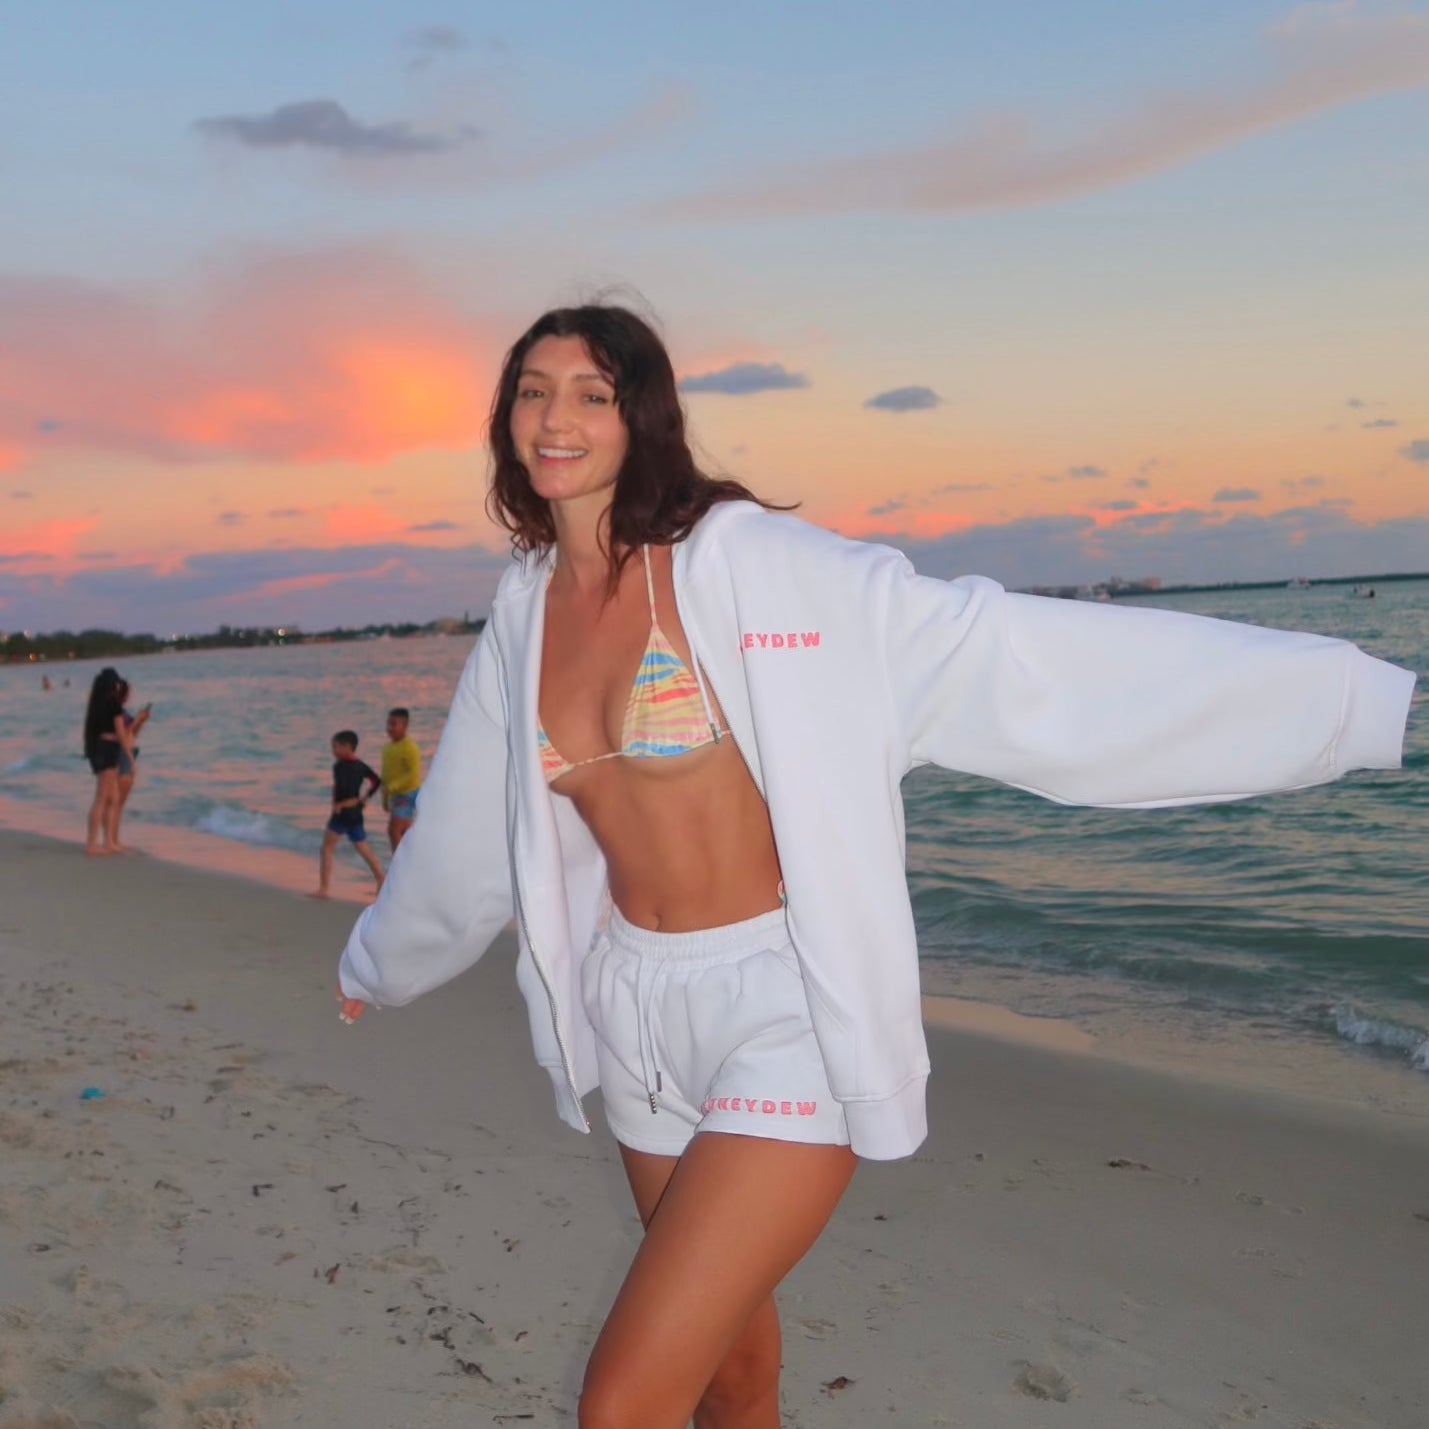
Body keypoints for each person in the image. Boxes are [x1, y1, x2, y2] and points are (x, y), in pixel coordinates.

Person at [336, 305, 1417, 1428]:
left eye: (591, 393)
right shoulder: (521, 615)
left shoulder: (742, 563)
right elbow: (465, 832)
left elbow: (986, 651)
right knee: (733, 1384)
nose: (556, 417)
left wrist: (1352, 702)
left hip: (782, 1005)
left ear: (640, 416)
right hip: (636, 1013)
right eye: (532, 389)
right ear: (506, 416)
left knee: (622, 1407)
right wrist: (379, 962)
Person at [316, 730, 384, 898]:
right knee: (363, 848)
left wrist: (340, 804)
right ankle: (382, 881)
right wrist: (364, 799)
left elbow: (342, 789)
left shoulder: (339, 766)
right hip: (355, 814)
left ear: (347, 747)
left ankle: (324, 889)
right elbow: (377, 781)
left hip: (342, 813)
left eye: (336, 747)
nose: (333, 750)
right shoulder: (360, 766)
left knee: (327, 848)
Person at [82, 667, 135, 856]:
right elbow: (120, 733)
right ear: (113, 684)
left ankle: (109, 842)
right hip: (109, 750)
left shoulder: (95, 704)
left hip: (98, 749)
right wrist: (129, 755)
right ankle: (92, 843)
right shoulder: (113, 705)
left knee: (111, 798)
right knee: (103, 798)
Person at [112, 678, 152, 852]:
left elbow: (132, 734)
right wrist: (137, 720)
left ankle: (113, 840)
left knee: (118, 804)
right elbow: (122, 735)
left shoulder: (121, 713)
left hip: (127, 754)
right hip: (122, 756)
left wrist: (141, 721)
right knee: (117, 803)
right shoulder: (115, 714)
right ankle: (112, 841)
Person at [380, 706, 422, 851]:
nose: (389, 728)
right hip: (395, 795)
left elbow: (412, 774)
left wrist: (392, 787)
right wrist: (385, 799)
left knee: (394, 830)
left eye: (394, 724)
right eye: (388, 724)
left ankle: (399, 866)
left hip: (408, 794)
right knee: (403, 833)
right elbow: (386, 774)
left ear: (405, 726)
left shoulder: (410, 747)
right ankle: (408, 863)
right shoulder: (387, 748)